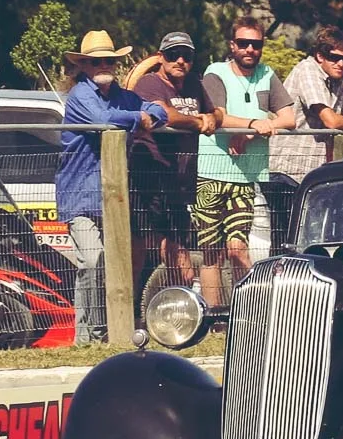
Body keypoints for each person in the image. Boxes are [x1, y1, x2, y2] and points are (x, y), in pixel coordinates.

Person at [57, 30, 168, 344]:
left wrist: (146, 116)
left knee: (111, 264)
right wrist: (140, 118)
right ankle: (87, 336)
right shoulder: (80, 96)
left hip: (112, 197)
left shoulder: (123, 96)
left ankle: (103, 332)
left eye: (109, 60)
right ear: (83, 66)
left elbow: (159, 111)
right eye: (96, 61)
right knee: (93, 260)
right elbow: (103, 118)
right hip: (79, 195)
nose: (104, 65)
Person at [197, 16, 295, 309]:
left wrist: (252, 132)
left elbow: (289, 117)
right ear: (232, 45)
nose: (250, 49)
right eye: (243, 43)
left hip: (246, 178)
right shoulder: (215, 72)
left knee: (238, 250)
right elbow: (218, 116)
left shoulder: (267, 74)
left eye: (256, 44)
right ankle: (214, 319)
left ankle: (248, 315)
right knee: (211, 253)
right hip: (212, 173)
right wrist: (254, 123)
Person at [130, 31, 224, 291]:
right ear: (161, 57)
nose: (180, 60)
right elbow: (165, 115)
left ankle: (176, 303)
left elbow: (215, 112)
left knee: (178, 254)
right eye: (173, 55)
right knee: (141, 248)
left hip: (180, 182)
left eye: (187, 55)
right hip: (149, 177)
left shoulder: (194, 83)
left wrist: (213, 118)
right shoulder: (149, 83)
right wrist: (198, 122)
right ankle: (128, 307)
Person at [271, 26, 343, 180]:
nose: (341, 64)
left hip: (310, 170)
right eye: (334, 57)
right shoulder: (308, 70)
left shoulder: (335, 80)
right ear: (320, 56)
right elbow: (331, 120)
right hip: (285, 169)